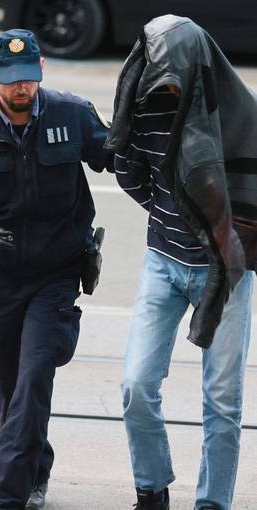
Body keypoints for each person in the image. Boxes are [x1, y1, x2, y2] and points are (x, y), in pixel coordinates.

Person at [105, 15, 257, 510]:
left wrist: (222, 236)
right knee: (136, 386)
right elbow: (130, 173)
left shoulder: (235, 114)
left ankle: (212, 503)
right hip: (163, 262)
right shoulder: (143, 108)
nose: (164, 80)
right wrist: (176, 216)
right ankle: (152, 489)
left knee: (223, 402)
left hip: (226, 272)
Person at [0, 29, 112, 509]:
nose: (21, 88)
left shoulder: (71, 113)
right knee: (8, 386)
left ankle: (3, 499)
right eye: (10, 80)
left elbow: (117, 157)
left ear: (41, 69)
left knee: (31, 383)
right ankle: (35, 468)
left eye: (28, 77)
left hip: (55, 273)